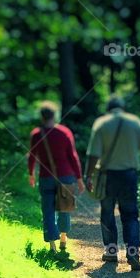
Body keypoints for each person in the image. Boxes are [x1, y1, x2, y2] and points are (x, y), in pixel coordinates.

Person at [85, 95, 140, 271]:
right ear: (123, 108)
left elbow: (93, 154)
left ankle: (111, 251)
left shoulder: (101, 123)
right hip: (129, 176)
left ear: (108, 109)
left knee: (107, 212)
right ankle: (133, 252)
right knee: (130, 214)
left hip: (107, 176)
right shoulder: (134, 122)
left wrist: (88, 175)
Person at [27, 101, 85, 253]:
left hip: (46, 177)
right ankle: (63, 238)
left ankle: (52, 246)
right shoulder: (64, 132)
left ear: (41, 116)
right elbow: (73, 157)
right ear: (55, 115)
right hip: (65, 176)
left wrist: (31, 174)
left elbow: (32, 156)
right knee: (65, 207)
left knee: (48, 210)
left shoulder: (36, 134)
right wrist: (79, 179)